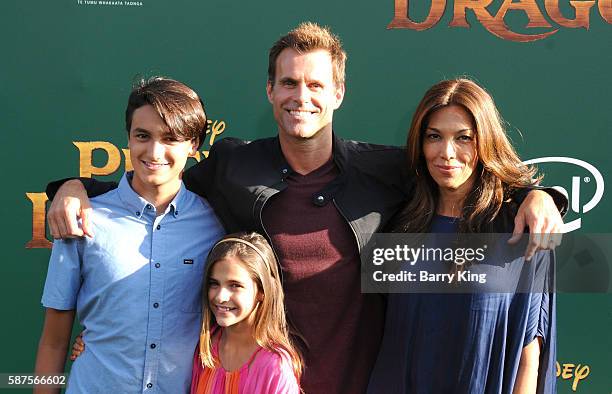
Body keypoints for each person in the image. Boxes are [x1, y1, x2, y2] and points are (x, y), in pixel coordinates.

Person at [46, 23, 565, 394]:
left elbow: (458, 173)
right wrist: (71, 187)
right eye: (289, 83)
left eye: (316, 84)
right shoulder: (233, 166)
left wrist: (539, 196)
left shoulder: (383, 171)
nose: (302, 96)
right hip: (260, 384)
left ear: (338, 92)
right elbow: (155, 182)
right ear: (270, 90)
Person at [34, 77, 224, 393]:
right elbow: (54, 343)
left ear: (193, 145)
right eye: (142, 136)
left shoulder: (215, 224)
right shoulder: (82, 217)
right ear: (129, 139)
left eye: (170, 138)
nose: (154, 151)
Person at [367, 78, 556, 393]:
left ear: (485, 142)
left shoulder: (520, 227)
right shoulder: (397, 220)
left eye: (464, 138)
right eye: (434, 137)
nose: (447, 153)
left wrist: (538, 195)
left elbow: (530, 350)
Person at [192, 232, 301, 393]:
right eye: (214, 283)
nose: (221, 297)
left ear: (262, 291)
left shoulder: (274, 366)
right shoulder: (206, 348)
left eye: (235, 285)